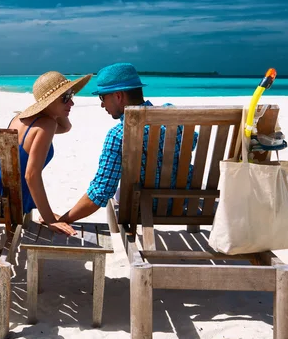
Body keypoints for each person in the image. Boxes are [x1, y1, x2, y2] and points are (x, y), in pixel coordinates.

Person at [58, 63, 196, 223]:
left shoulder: (118, 135)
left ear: (118, 96)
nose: (102, 104)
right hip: (182, 201)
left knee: (116, 194)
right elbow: (192, 142)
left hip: (145, 208)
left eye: (102, 97)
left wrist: (63, 219)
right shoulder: (173, 115)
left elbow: (101, 192)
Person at [0, 71, 91, 236]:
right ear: (50, 101)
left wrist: (59, 107)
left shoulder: (20, 118)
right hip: (5, 198)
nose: (72, 103)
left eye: (71, 95)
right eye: (65, 98)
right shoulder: (46, 125)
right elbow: (31, 175)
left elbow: (66, 128)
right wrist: (50, 220)